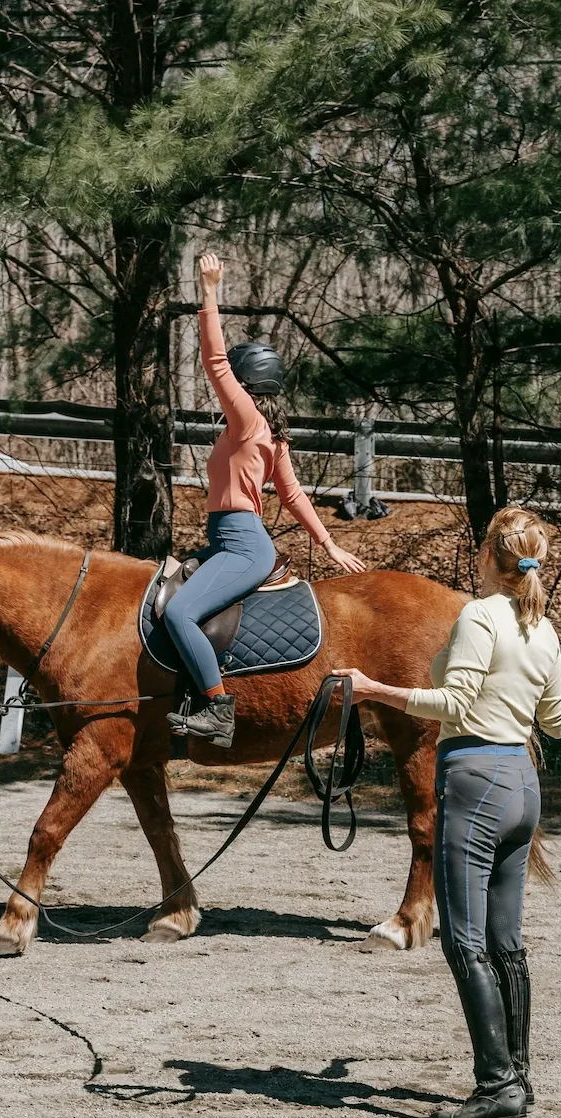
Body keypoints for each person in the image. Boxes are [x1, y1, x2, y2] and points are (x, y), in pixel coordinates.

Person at [338, 506, 561, 1118]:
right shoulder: (542, 628)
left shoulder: (480, 616)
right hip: (521, 789)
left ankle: (496, 1084)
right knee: (506, 941)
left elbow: (453, 703)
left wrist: (375, 690)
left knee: (464, 941)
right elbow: (555, 723)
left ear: (487, 556)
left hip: (476, 781)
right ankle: (518, 1079)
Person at [167, 253, 367, 748]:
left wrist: (209, 291)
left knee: (178, 614)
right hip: (230, 541)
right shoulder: (269, 433)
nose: (227, 386)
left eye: (234, 380)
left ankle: (218, 711)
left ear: (245, 383)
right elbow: (293, 494)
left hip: (241, 543)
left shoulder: (246, 420)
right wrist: (328, 543)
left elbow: (214, 362)